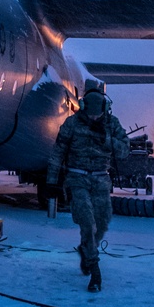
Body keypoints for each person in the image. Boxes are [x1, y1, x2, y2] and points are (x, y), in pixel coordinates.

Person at [45, 86, 129, 293]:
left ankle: (86, 249)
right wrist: (52, 182)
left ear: (105, 108)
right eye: (89, 112)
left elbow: (124, 150)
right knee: (87, 223)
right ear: (83, 107)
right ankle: (95, 270)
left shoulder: (111, 124)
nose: (93, 116)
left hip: (101, 180)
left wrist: (106, 139)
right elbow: (58, 153)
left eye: (97, 112)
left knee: (101, 224)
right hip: (77, 178)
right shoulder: (71, 124)